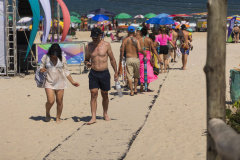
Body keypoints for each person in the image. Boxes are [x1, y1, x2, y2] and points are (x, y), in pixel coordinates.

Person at [85, 27, 118, 125]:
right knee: (93, 93)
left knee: (105, 94)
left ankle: (105, 113)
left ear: (100, 35)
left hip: (104, 73)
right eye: (93, 37)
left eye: (96, 37)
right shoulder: (88, 47)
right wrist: (87, 63)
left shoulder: (106, 45)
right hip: (93, 73)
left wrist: (116, 72)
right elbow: (86, 59)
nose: (94, 39)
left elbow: (112, 59)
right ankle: (93, 117)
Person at [40, 43, 80, 123]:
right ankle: (47, 112)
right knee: (51, 101)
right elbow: (41, 67)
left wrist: (72, 82)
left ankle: (58, 117)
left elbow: (66, 71)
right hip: (49, 81)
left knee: (59, 101)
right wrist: (42, 70)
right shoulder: (45, 57)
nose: (54, 56)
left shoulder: (62, 58)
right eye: (53, 54)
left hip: (60, 82)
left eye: (55, 54)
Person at [120, 26, 146, 96]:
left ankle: (131, 91)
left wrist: (120, 59)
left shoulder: (125, 40)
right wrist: (144, 53)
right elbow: (139, 49)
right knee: (136, 76)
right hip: (136, 58)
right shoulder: (137, 40)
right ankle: (135, 89)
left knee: (129, 76)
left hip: (128, 58)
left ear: (128, 32)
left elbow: (122, 51)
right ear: (134, 32)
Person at [138, 26, 161, 92]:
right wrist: (158, 57)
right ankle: (146, 86)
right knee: (149, 71)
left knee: (141, 70)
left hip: (140, 55)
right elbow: (153, 49)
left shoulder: (138, 40)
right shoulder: (149, 40)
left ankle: (141, 84)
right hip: (147, 55)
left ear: (141, 32)